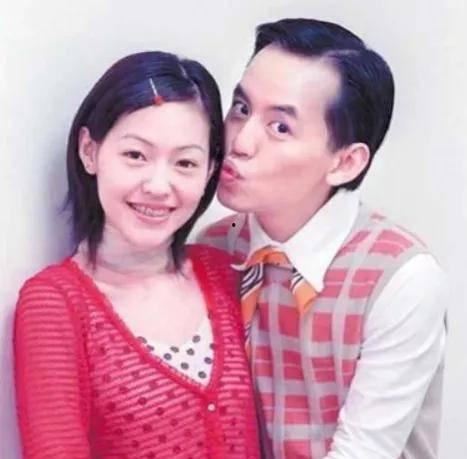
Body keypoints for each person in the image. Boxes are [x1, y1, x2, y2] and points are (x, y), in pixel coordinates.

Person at [198, 18, 447, 459]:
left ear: (345, 162)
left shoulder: (400, 279)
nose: (240, 141)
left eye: (280, 127)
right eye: (241, 108)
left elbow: (363, 451)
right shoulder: (214, 248)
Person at [14, 51, 260, 459]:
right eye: (135, 155)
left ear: (209, 171)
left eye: (185, 162)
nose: (158, 186)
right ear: (90, 151)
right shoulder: (54, 303)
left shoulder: (225, 270)